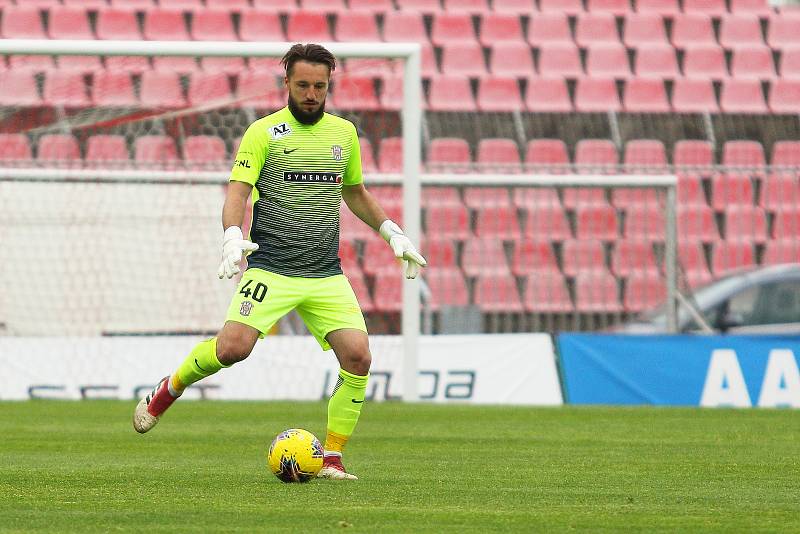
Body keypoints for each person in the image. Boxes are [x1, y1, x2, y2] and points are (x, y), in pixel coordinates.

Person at [132, 43, 427, 481]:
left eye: (320, 86)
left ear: (330, 85)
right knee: (233, 349)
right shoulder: (264, 132)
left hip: (325, 272)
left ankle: (331, 459)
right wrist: (233, 235)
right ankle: (168, 389)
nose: (311, 93)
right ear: (286, 82)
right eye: (303, 84)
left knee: (359, 357)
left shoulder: (343, 133)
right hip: (271, 267)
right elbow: (238, 189)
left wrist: (392, 233)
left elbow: (354, 191)